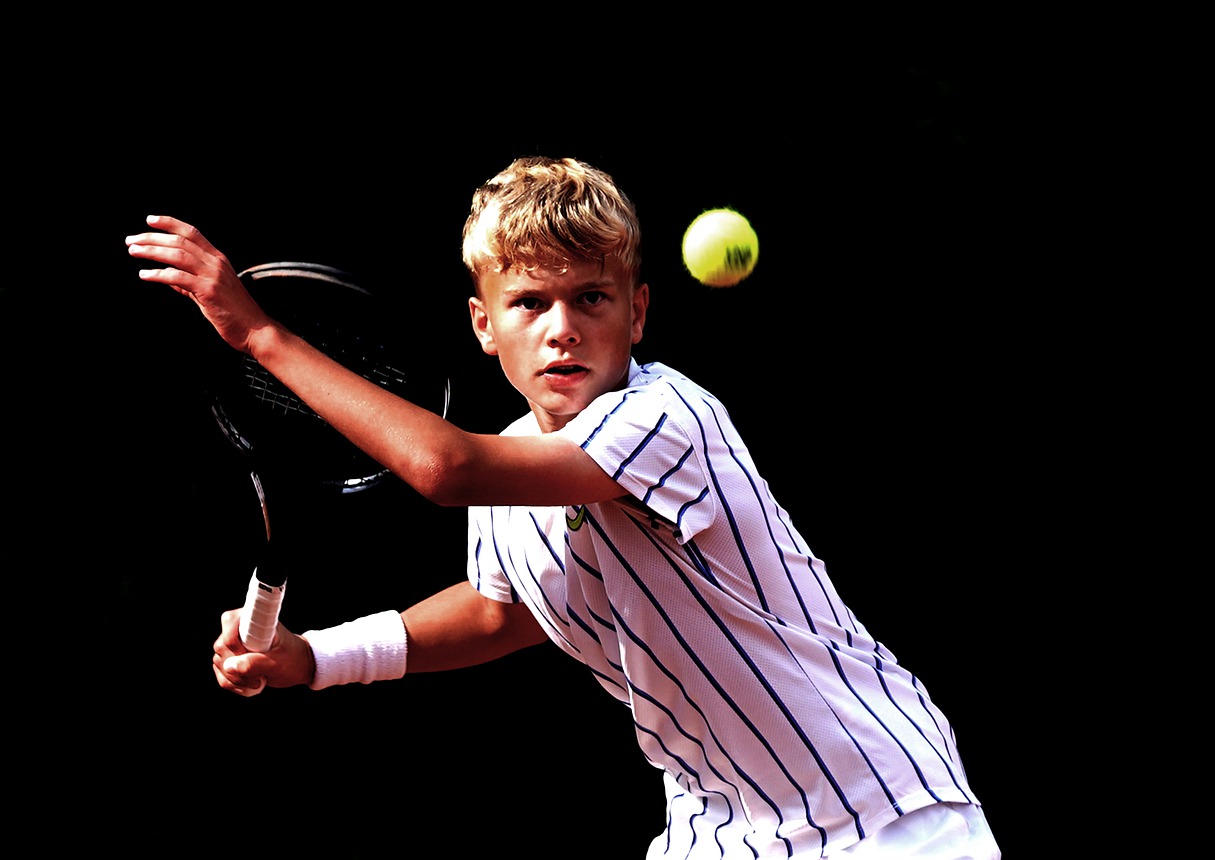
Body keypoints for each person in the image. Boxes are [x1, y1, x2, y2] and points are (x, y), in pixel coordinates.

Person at [125, 156, 1000, 859]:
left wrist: (259, 334)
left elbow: (445, 467)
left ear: (638, 312)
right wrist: (314, 656)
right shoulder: (513, 468)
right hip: (719, 827)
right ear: (483, 324)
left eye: (591, 298)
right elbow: (500, 610)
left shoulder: (669, 417)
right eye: (530, 303)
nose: (562, 327)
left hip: (883, 814)